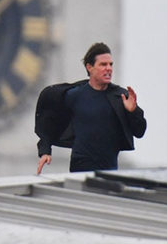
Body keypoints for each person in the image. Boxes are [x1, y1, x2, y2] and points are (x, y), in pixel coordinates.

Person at [35, 42, 146, 174]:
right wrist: (45, 151)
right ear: (90, 67)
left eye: (111, 64)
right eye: (103, 65)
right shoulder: (74, 95)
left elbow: (140, 131)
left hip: (109, 171)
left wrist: (133, 111)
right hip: (80, 169)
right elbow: (49, 122)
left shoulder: (120, 97)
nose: (109, 68)